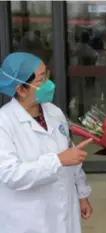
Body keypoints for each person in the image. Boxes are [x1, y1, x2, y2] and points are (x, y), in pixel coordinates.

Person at [0, 52, 94, 233]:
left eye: (47, 76)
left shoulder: (53, 112)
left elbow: (71, 156)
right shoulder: (4, 122)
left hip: (64, 210)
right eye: (41, 79)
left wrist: (82, 194)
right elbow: (11, 175)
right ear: (21, 89)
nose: (48, 84)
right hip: (28, 219)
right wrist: (57, 161)